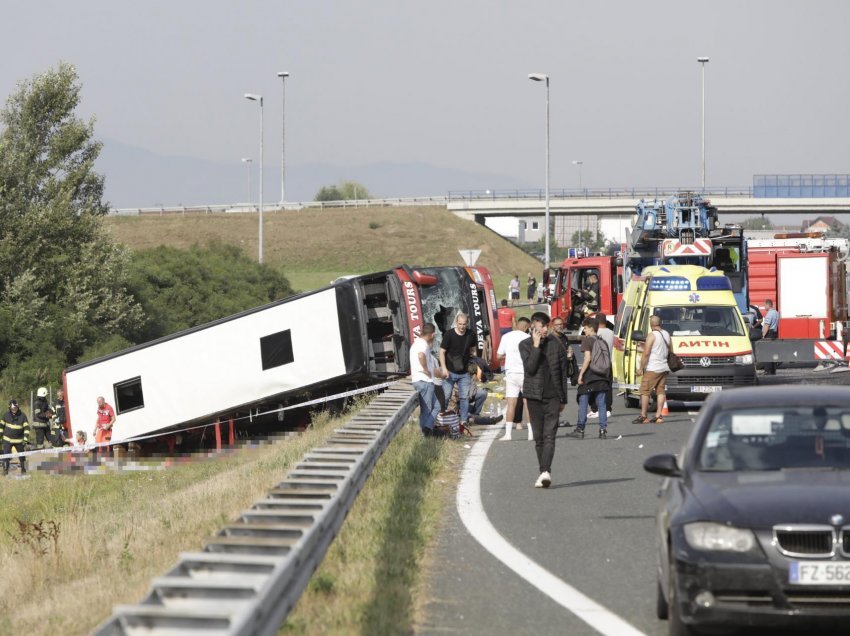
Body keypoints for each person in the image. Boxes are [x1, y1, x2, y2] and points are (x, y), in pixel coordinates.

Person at [520, 312, 569, 488]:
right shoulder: (524, 345)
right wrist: (535, 345)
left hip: (553, 396)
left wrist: (564, 398)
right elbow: (530, 368)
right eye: (541, 326)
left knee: (550, 435)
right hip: (533, 396)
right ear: (533, 328)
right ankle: (543, 471)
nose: (545, 329)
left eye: (546, 326)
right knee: (539, 437)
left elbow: (563, 373)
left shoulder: (556, 345)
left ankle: (546, 470)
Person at [574, 318, 611, 439]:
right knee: (601, 405)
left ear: (591, 328)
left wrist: (580, 374)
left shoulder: (587, 340)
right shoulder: (602, 341)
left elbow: (587, 358)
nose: (584, 330)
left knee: (583, 402)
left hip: (590, 376)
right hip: (602, 376)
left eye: (585, 328)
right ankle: (602, 430)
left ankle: (580, 428)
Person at [497, 317, 532, 441]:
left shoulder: (506, 337)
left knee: (511, 403)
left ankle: (508, 434)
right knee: (527, 403)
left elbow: (499, 356)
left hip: (511, 373)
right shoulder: (528, 338)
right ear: (527, 327)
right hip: (525, 373)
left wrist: (509, 355)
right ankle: (531, 433)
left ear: (516, 324)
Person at [440, 313, 477, 426]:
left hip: (465, 372)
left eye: (464, 324)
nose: (462, 327)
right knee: (446, 395)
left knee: (464, 397)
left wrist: (473, 368)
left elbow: (473, 351)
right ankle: (441, 418)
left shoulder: (471, 334)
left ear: (467, 323)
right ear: (456, 323)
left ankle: (463, 421)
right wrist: (444, 368)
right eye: (460, 324)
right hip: (450, 371)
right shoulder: (449, 334)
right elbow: (442, 352)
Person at [633, 315, 671, 424]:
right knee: (660, 390)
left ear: (651, 324)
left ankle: (644, 416)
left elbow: (646, 352)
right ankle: (659, 416)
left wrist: (641, 368)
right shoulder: (666, 334)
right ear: (660, 323)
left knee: (644, 391)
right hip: (664, 367)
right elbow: (670, 350)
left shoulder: (652, 335)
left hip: (653, 368)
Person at [410, 323, 441, 436]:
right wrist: (426, 369)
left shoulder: (417, 343)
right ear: (432, 334)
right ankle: (425, 435)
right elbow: (421, 356)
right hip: (424, 381)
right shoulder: (423, 344)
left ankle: (427, 427)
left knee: (437, 405)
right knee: (426, 411)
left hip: (421, 380)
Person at [549, 316, 575, 427]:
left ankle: (557, 418)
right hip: (553, 372)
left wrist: (570, 355)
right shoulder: (550, 339)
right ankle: (554, 419)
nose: (560, 326)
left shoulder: (564, 337)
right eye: (557, 324)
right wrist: (566, 356)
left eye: (561, 324)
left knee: (563, 399)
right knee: (556, 397)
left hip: (563, 371)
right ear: (552, 326)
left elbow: (568, 349)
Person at [588, 313, 614, 420]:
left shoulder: (595, 333)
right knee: (608, 386)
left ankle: (595, 408)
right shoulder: (611, 332)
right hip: (608, 362)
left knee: (595, 386)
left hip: (597, 364)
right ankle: (607, 408)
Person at [2, 400, 31, 475]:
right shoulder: (6, 415)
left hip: (19, 441)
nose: (14, 410)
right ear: (9, 408)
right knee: (6, 456)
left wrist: (25, 439)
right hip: (7, 440)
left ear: (18, 407)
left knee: (22, 456)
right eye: (12, 409)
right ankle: (5, 470)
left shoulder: (23, 416)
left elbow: (27, 428)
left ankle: (23, 470)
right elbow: (1, 427)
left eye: (15, 408)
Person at [762, 298, 780, 375]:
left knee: (767, 353)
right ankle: (773, 371)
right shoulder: (776, 313)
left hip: (769, 334)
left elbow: (767, 325)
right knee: (773, 352)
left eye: (764, 305)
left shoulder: (769, 313)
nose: (764, 307)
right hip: (774, 334)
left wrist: (763, 335)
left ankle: (767, 371)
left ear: (767, 305)